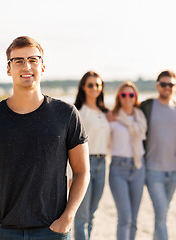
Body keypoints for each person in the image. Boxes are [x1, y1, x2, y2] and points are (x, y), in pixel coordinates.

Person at [0, 36, 90, 240]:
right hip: (5, 232)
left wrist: (67, 218)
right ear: (8, 69)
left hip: (53, 231)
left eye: (33, 60)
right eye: (19, 61)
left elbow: (82, 171)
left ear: (42, 67)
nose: (27, 66)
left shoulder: (66, 114)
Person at [140, 70, 176, 240]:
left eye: (171, 84)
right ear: (157, 86)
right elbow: (127, 113)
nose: (167, 87)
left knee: (162, 216)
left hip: (174, 172)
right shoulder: (146, 106)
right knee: (161, 213)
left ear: (175, 87)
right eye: (164, 84)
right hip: (153, 171)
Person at [73, 71, 110, 240]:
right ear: (83, 87)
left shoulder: (104, 112)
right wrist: (69, 175)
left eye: (98, 85)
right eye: (90, 85)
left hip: (102, 164)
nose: (95, 88)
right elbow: (71, 146)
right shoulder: (79, 112)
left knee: (92, 213)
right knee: (82, 216)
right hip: (84, 165)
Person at [108, 81, 147, 240]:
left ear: (135, 97)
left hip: (138, 167)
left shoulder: (140, 116)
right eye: (123, 95)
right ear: (119, 97)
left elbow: (143, 135)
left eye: (131, 94)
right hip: (118, 169)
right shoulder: (112, 117)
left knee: (134, 219)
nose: (127, 98)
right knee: (125, 218)